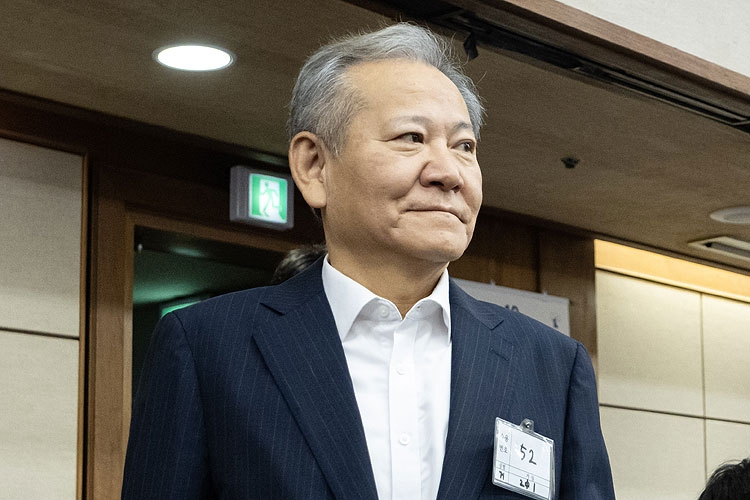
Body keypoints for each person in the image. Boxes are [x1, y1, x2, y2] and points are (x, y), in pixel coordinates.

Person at [122, 22, 614, 499]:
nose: (448, 172)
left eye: (464, 146)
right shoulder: (207, 348)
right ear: (314, 166)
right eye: (411, 137)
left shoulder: (551, 364)